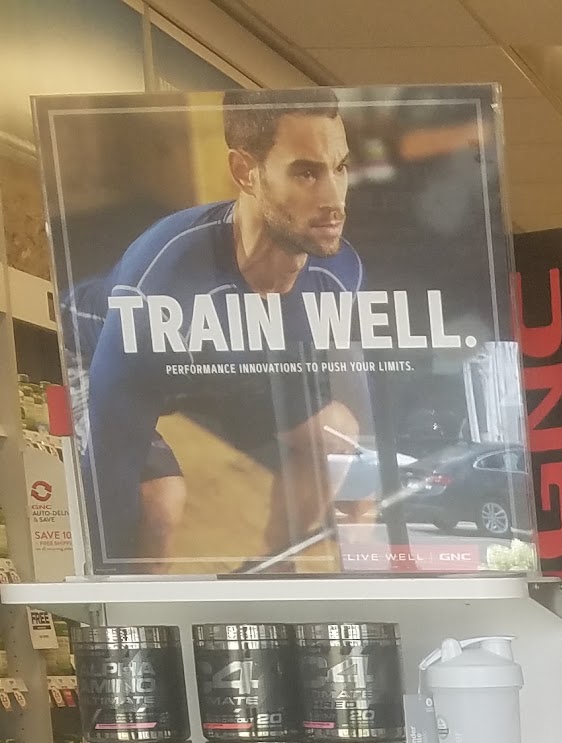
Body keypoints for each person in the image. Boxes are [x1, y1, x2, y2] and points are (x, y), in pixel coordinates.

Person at [70, 88, 365, 570]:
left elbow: (322, 399)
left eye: (341, 167)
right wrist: (108, 587)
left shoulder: (338, 274)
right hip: (89, 353)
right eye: (306, 172)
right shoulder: (165, 276)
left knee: (338, 436)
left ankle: (273, 570)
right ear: (245, 172)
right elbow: (111, 456)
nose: (334, 199)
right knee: (158, 504)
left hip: (214, 366)